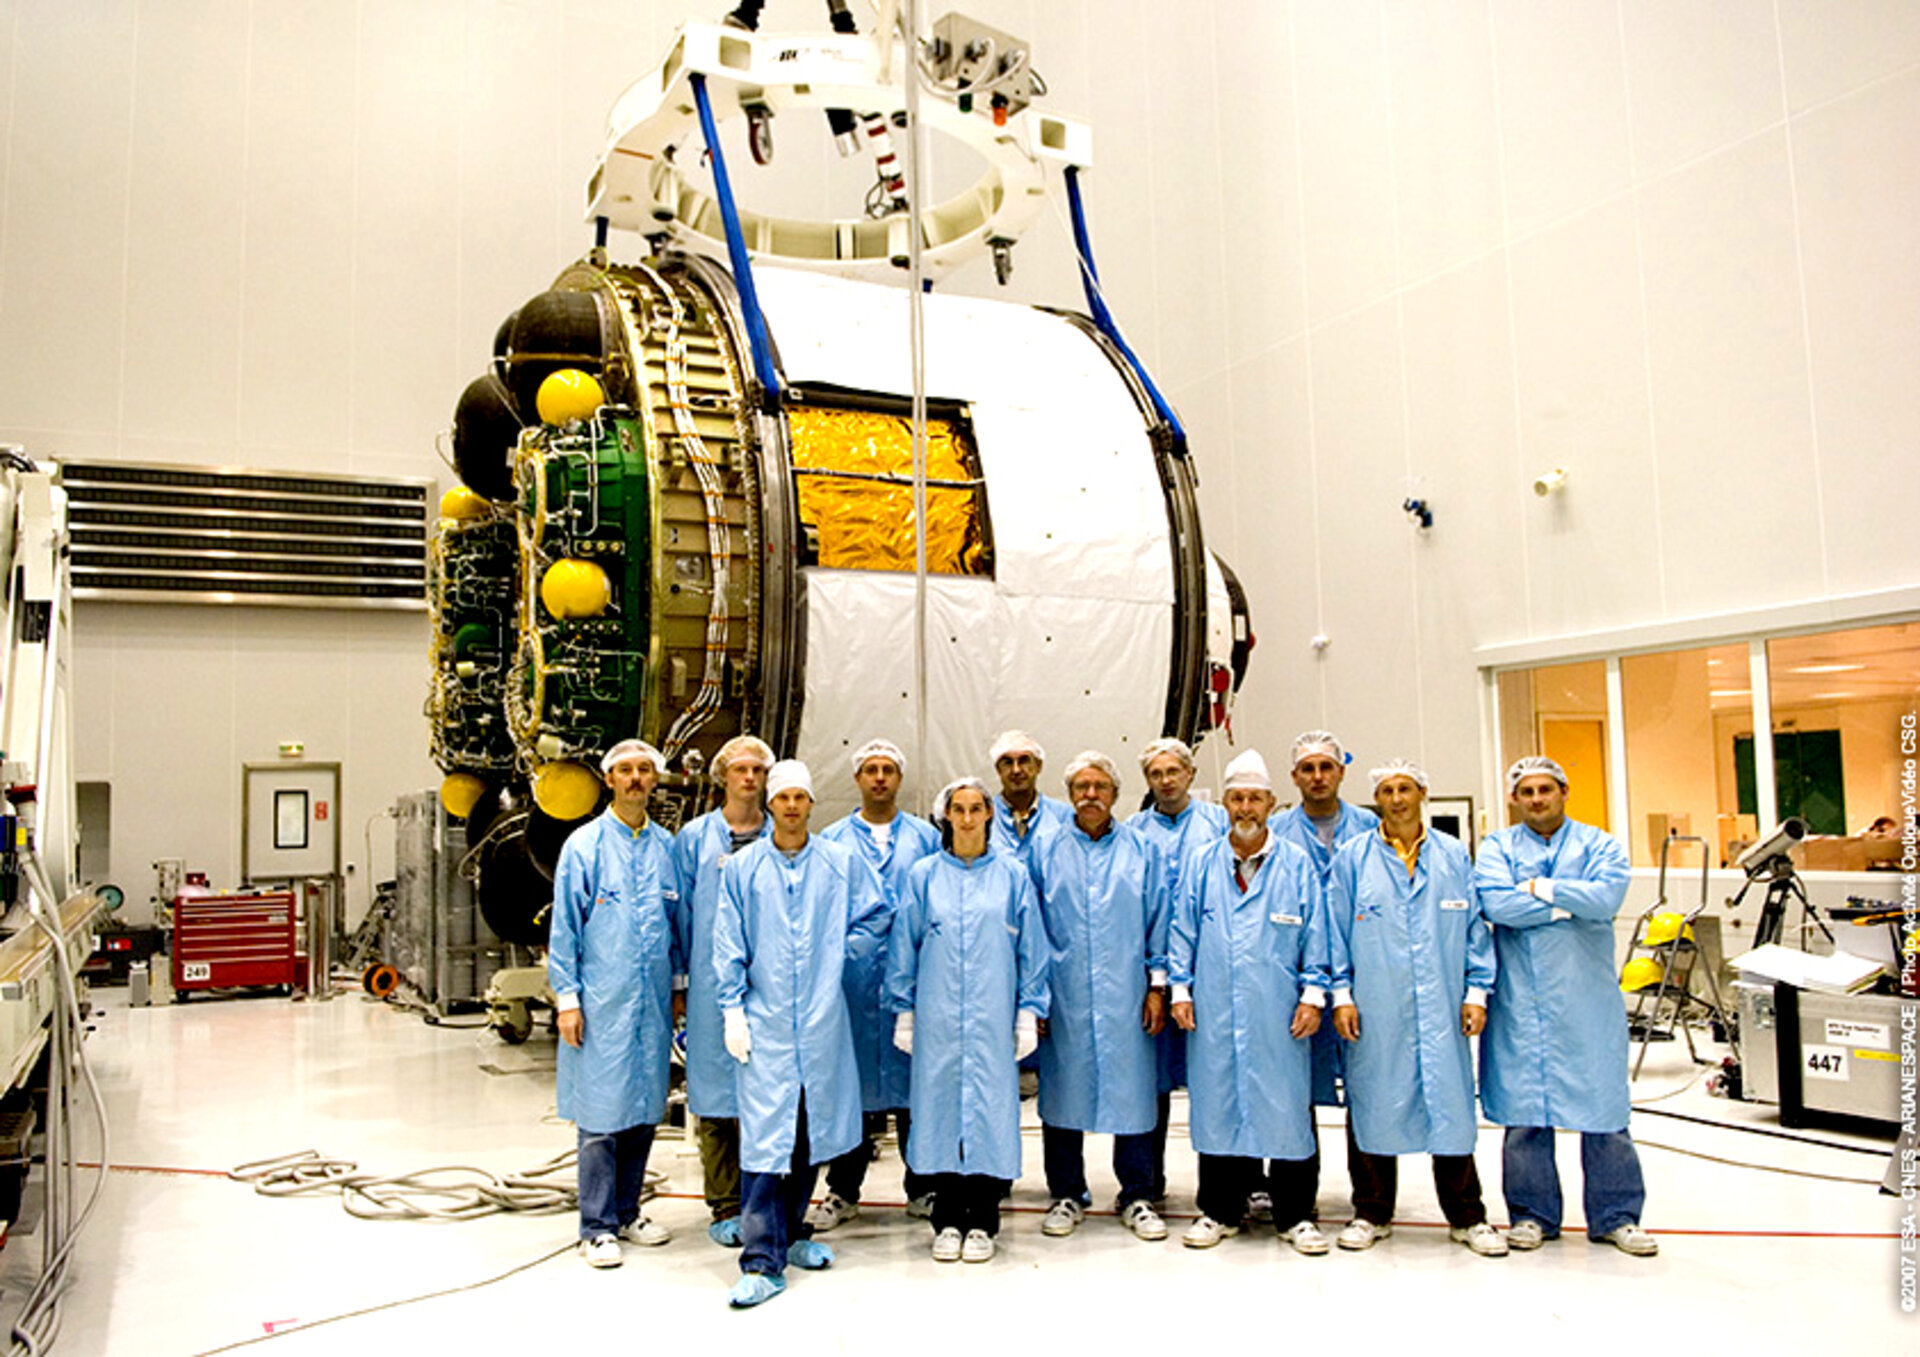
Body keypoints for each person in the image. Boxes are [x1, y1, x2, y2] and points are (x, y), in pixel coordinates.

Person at [713, 759, 888, 1308]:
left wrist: (840, 960)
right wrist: (731, 1010)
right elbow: (728, 940)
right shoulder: (743, 870)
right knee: (767, 1140)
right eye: (782, 798)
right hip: (764, 1025)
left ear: (812, 806)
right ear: (771, 804)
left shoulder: (839, 863)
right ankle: (761, 1259)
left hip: (821, 1024)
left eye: (800, 799)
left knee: (807, 1135)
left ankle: (791, 1236)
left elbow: (877, 914)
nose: (791, 807)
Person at [1474, 755, 1657, 1257]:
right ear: (1514, 798)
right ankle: (1532, 1215)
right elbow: (1496, 905)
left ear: (1563, 792)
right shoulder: (1497, 847)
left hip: (1586, 1003)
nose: (1536, 799)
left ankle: (1616, 1216)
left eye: (1545, 790)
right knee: (1525, 1111)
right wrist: (1567, 906)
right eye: (1527, 791)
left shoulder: (1599, 844)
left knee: (1604, 1111)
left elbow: (1606, 900)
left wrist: (1540, 890)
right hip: (1520, 1003)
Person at [1328, 759, 1506, 1257]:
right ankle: (1371, 1212)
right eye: (1386, 790)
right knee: (1372, 1101)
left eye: (1405, 788)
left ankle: (1468, 1216)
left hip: (1442, 1007)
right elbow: (1334, 932)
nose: (1397, 798)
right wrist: (1340, 995)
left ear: (1422, 793)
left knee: (1449, 1105)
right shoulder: (1352, 858)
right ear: (1376, 800)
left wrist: (1476, 992)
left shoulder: (1452, 855)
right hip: (1374, 1007)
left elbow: (1474, 928)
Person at [1168, 750, 1331, 1255]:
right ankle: (1219, 1208)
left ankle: (1295, 1213)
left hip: (1278, 1011)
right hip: (1215, 1008)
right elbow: (1182, 931)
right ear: (1224, 804)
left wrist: (1312, 994)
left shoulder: (1296, 864)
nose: (1245, 808)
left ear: (1271, 803)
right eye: (1236, 798)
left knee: (1285, 1107)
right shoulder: (1201, 863)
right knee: (1219, 1103)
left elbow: (1316, 934)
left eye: (1254, 799)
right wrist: (1179, 989)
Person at [886, 777, 1050, 1263]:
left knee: (989, 1114)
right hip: (936, 1020)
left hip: (992, 1019)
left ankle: (983, 1220)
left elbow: (1031, 949)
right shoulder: (923, 876)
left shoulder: (1013, 875)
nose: (967, 818)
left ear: (988, 815)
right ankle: (947, 1220)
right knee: (938, 1116)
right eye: (958, 809)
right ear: (947, 817)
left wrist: (1027, 1013)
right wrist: (905, 1012)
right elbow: (904, 946)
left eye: (976, 808)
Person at [548, 739, 688, 1267]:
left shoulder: (665, 848)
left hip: (650, 1003)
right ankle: (597, 1225)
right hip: (601, 1001)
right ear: (609, 780)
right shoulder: (583, 847)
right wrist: (568, 999)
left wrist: (677, 990)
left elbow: (675, 929)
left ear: (655, 781)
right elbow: (566, 929)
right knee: (600, 1114)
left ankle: (628, 1213)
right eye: (625, 770)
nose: (635, 779)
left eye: (644, 771)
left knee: (644, 1108)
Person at [1026, 750, 1170, 1242]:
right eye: (1082, 787)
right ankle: (1066, 1192)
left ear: (1116, 794)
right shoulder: (1044, 849)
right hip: (1063, 996)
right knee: (1062, 1094)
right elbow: (1030, 928)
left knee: (1134, 1093)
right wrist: (1034, 997)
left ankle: (1138, 1193)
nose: (1091, 795)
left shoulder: (1141, 850)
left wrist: (1157, 987)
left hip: (1127, 995)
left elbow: (1159, 921)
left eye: (1100, 787)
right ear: (1069, 795)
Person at [810, 738, 942, 1231]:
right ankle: (842, 1191)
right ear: (858, 779)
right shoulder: (832, 840)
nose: (880, 778)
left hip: (913, 977)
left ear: (899, 779)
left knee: (915, 1084)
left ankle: (924, 1185)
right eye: (871, 770)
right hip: (852, 980)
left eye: (888, 769)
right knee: (851, 1085)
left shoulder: (926, 838)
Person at [1265, 730, 1378, 1223]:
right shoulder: (1274, 832)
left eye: (1325, 767)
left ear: (1341, 772)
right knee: (1291, 1093)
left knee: (1369, 1088)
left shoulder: (1371, 828)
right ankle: (1295, 1199)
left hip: (1365, 979)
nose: (1317, 777)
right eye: (1307, 769)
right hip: (1295, 985)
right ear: (1294, 778)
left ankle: (1371, 1203)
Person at [672, 733, 772, 1247]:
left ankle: (765, 1197)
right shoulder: (693, 839)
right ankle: (724, 1202)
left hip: (772, 986)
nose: (749, 778)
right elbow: (680, 916)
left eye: (757, 769)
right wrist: (680, 983)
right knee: (713, 1093)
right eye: (740, 770)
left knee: (768, 1094)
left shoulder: (783, 836)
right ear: (723, 777)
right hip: (712, 984)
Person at [1125, 736, 1227, 1206]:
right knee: (1151, 1084)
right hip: (1152, 976)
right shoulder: (1134, 833)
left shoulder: (1218, 824)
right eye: (1155, 774)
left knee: (1220, 1078)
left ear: (1190, 774)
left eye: (1172, 772)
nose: (1165, 781)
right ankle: (1144, 1185)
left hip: (1214, 973)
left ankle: (1231, 1186)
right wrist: (1156, 978)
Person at [988, 729, 1071, 864]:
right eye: (1008, 762)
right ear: (998, 769)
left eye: (1024, 761)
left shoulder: (1064, 818)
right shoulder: (982, 817)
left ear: (1038, 766)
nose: (1016, 770)